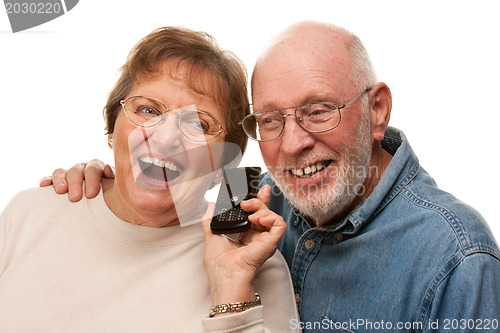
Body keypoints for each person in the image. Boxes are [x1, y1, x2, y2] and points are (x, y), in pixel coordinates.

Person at [42, 21, 500, 332]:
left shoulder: (458, 259)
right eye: (271, 120)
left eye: (318, 111)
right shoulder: (252, 195)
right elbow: (162, 187)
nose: (292, 143)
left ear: (376, 110)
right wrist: (100, 188)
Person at [0, 26, 301, 332]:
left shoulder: (254, 263)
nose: (166, 137)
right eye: (147, 109)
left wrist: (232, 291)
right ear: (112, 127)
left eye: (198, 124)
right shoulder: (28, 214)